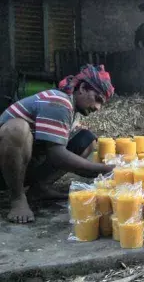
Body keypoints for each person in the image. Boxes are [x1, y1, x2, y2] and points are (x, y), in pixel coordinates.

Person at [0, 64, 116, 223]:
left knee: (86, 139)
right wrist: (105, 169)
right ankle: (17, 198)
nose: (97, 107)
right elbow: (57, 155)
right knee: (17, 128)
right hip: (5, 167)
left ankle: (39, 188)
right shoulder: (59, 102)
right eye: (97, 99)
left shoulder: (70, 108)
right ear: (82, 88)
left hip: (26, 163)